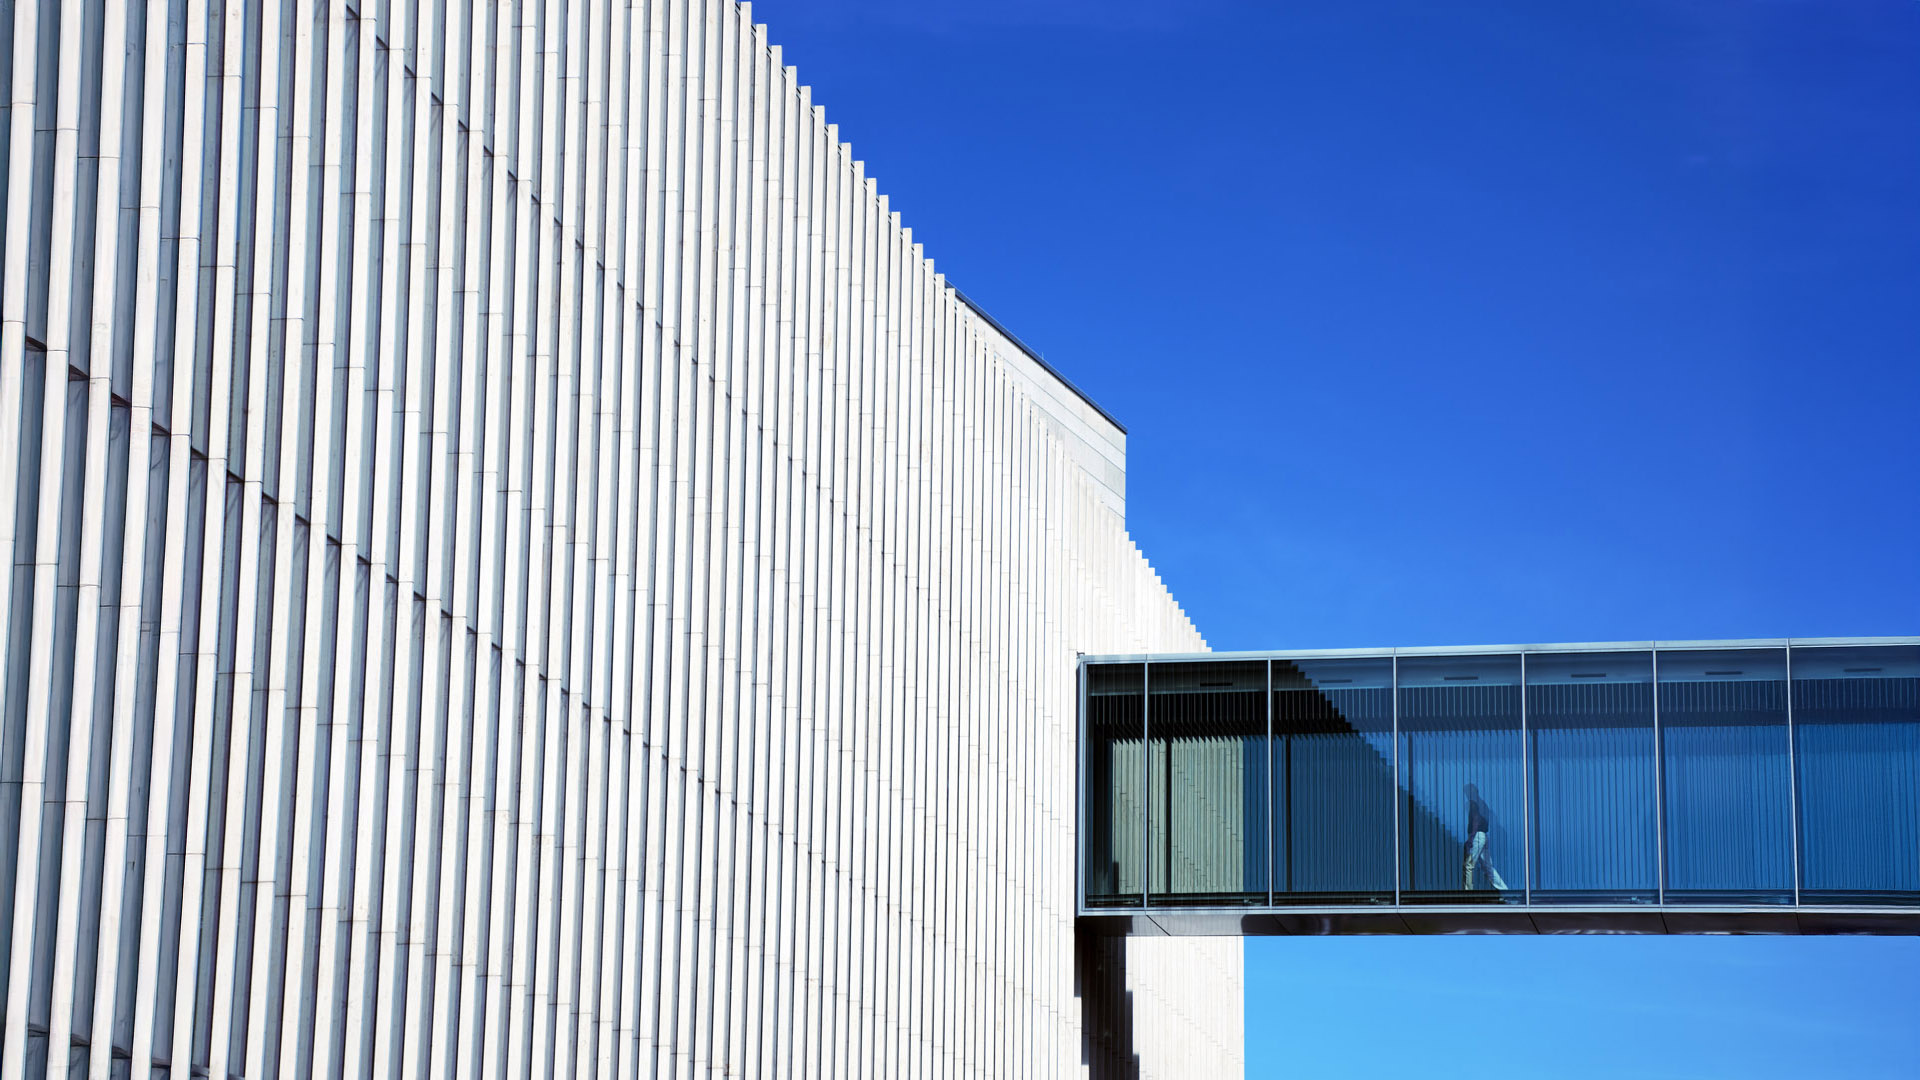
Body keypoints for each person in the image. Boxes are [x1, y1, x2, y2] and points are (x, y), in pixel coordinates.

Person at [1461, 782, 1507, 891]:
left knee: (1468, 865)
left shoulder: (1473, 804)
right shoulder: (1483, 804)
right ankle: (1505, 890)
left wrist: (1471, 838)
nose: (1466, 794)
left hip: (1477, 836)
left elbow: (1476, 819)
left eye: (1468, 792)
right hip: (1483, 836)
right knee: (1488, 868)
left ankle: (1467, 893)